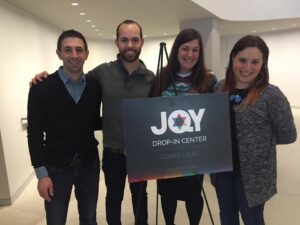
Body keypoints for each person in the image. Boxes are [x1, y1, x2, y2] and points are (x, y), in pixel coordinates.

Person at [31, 20, 155, 225]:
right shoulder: (101, 74)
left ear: (142, 42)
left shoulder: (151, 78)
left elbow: (156, 116)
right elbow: (70, 80)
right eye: (124, 40)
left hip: (138, 154)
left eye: (134, 40)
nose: (130, 45)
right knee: (113, 201)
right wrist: (41, 78)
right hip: (110, 153)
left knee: (140, 202)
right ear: (117, 42)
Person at [213, 35, 297, 225]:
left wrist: (257, 142)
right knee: (227, 217)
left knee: (252, 219)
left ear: (263, 64)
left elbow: (288, 134)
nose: (247, 67)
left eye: (255, 62)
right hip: (223, 171)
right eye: (242, 60)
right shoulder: (219, 88)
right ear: (233, 58)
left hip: (254, 174)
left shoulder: (271, 95)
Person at [27, 30, 102, 225]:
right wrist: (41, 174)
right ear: (59, 53)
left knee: (89, 218)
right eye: (68, 50)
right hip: (55, 168)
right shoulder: (41, 88)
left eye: (79, 50)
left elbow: (92, 121)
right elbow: (34, 133)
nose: (74, 55)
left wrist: (122, 120)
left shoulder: (95, 86)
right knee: (56, 220)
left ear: (87, 53)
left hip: (89, 164)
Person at [153, 28, 217, 225]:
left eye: (195, 50)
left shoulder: (208, 80)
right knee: (167, 195)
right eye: (185, 48)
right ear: (176, 50)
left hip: (195, 152)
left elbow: (213, 118)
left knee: (193, 195)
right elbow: (151, 113)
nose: (190, 55)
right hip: (167, 152)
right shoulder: (161, 77)